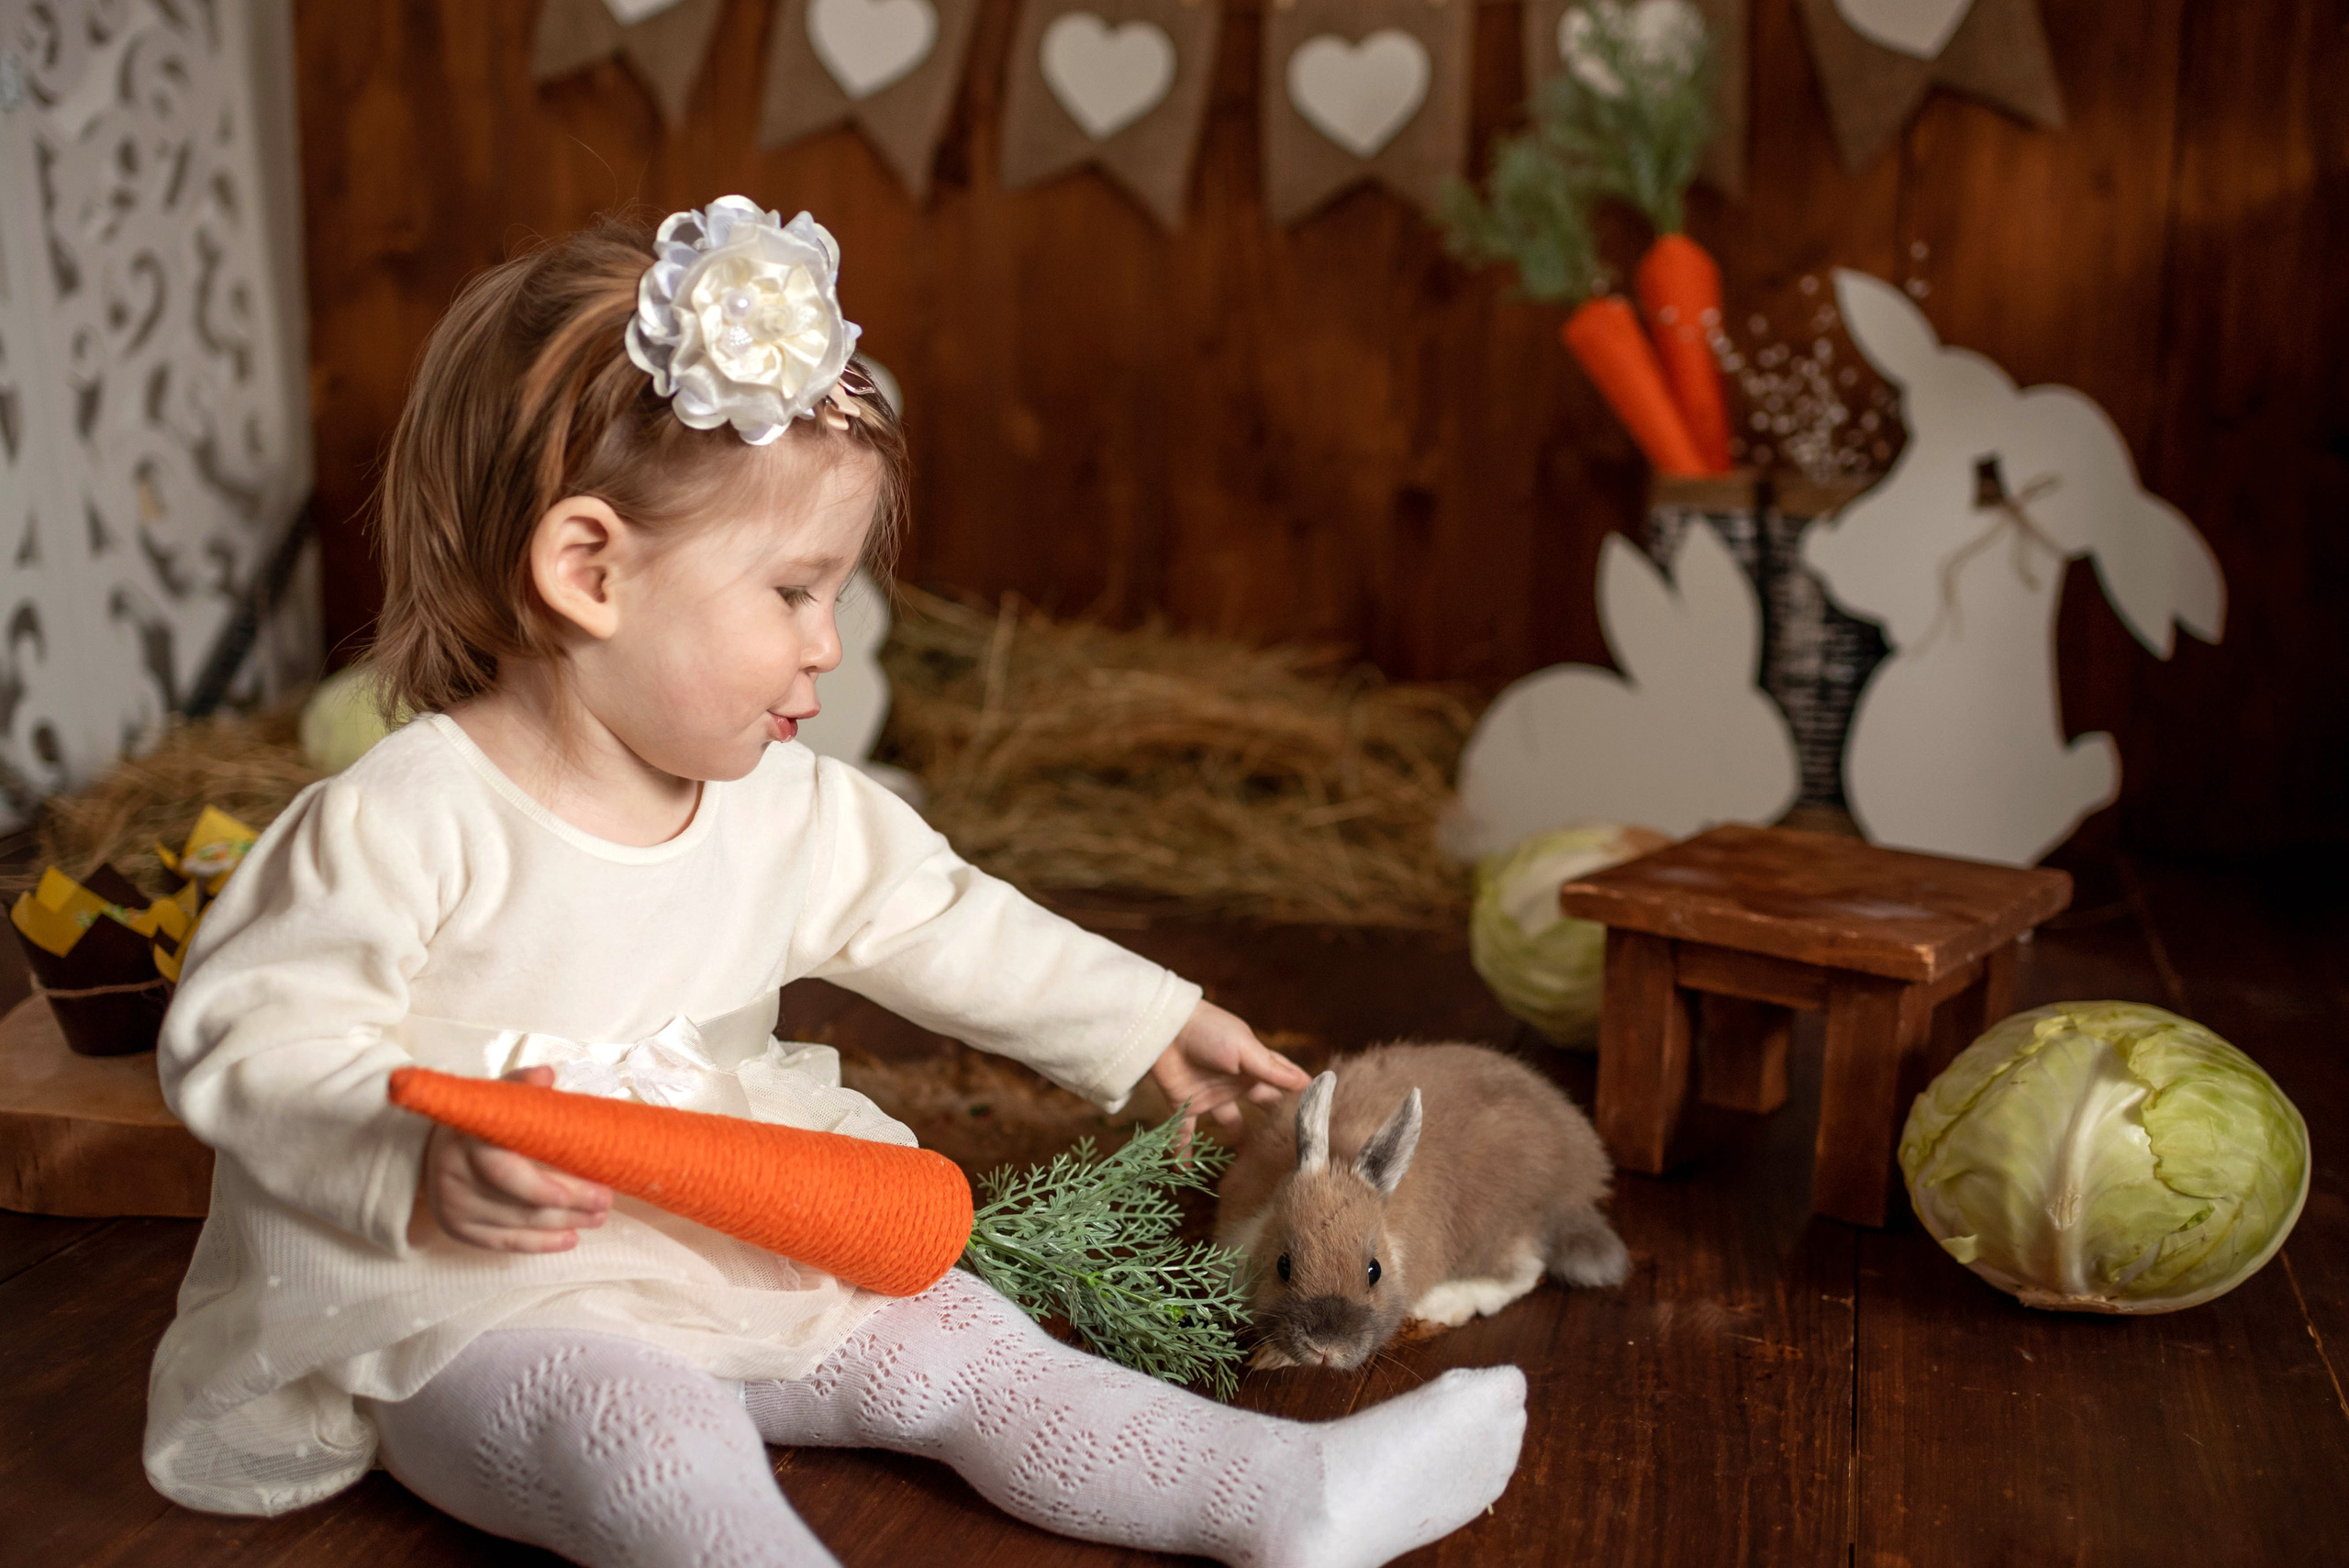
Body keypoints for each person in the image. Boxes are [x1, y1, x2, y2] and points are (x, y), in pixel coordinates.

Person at [143, 198, 1529, 1568]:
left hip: (729, 1239)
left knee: (963, 1340)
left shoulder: (781, 803)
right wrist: (420, 1164)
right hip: (474, 1301)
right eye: (794, 592)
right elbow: (253, 1036)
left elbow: (943, 916)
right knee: (654, 1433)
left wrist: (1149, 1022)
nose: (829, 647)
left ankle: (1282, 1490)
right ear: (590, 571)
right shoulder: (410, 816)